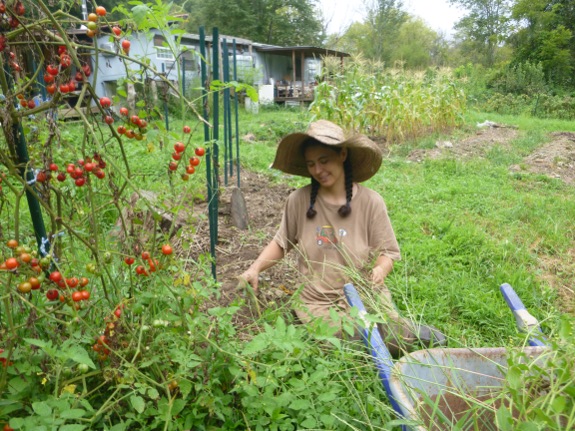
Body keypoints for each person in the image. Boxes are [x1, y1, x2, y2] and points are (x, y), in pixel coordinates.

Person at [240, 120, 445, 356]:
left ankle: (411, 333)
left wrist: (380, 270)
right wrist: (255, 269)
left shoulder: (371, 202)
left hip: (365, 296)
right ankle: (372, 337)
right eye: (311, 164)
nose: (318, 170)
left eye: (324, 161)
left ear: (343, 154)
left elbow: (387, 252)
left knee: (390, 337)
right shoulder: (298, 201)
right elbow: (281, 243)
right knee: (347, 344)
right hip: (319, 302)